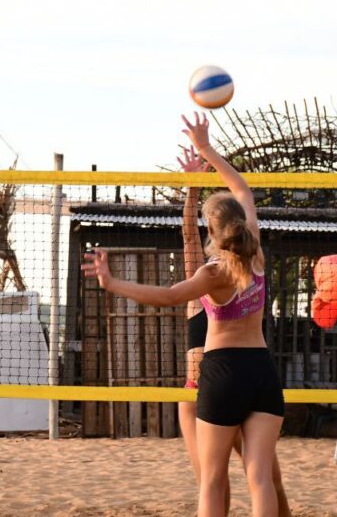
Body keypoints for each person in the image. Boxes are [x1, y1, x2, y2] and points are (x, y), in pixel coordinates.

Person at [83, 113, 285, 517]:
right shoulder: (257, 254)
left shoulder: (214, 273)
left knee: (211, 481)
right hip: (262, 370)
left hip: (223, 371)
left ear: (212, 231)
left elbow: (168, 296)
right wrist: (208, 149)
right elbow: (242, 187)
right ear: (243, 225)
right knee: (260, 476)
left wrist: (112, 283)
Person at [177, 145, 291, 517]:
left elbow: (191, 239)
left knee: (260, 479)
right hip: (207, 386)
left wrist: (195, 186)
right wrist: (194, 189)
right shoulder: (206, 279)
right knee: (219, 480)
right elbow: (190, 236)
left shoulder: (214, 277)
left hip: (221, 382)